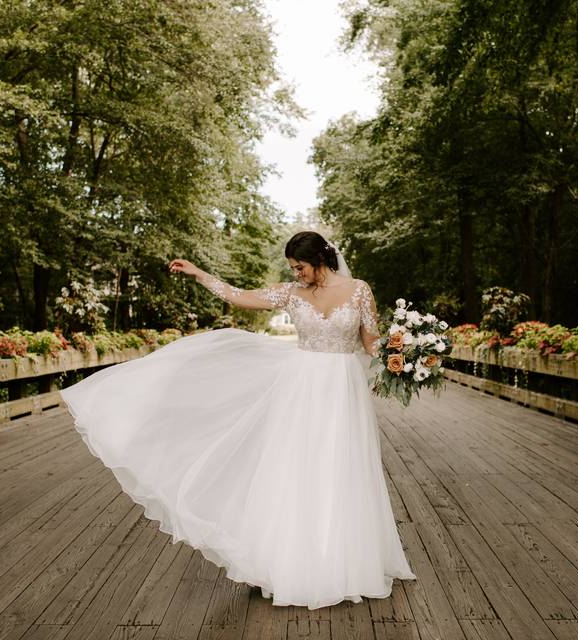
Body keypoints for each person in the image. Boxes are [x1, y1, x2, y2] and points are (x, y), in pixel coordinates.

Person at [58, 230, 417, 610]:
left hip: (344, 390)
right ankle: (291, 562)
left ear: (320, 260)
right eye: (292, 268)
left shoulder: (359, 290)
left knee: (341, 467)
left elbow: (371, 342)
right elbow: (238, 296)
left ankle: (345, 560)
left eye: (300, 267)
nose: (296, 274)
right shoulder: (290, 293)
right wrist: (200, 274)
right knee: (296, 468)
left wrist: (408, 355)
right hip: (301, 388)